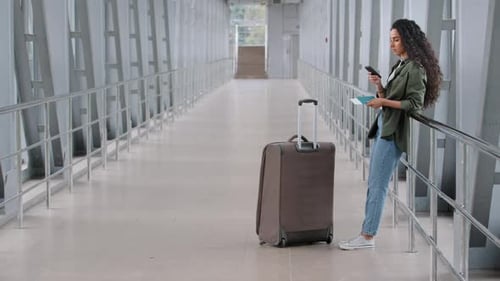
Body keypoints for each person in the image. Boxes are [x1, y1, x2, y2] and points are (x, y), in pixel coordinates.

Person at [339, 18, 442, 250]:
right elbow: (393, 97)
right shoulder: (401, 65)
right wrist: (379, 87)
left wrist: (382, 101)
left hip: (393, 133)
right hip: (384, 126)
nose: (392, 44)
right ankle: (366, 233)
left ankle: (367, 236)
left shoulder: (415, 69)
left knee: (378, 184)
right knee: (374, 182)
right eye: (390, 40)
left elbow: (414, 104)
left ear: (409, 40)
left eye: (396, 40)